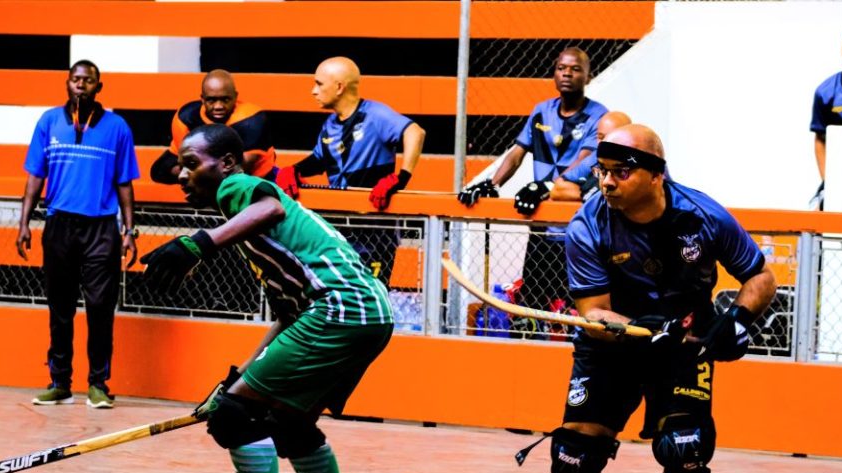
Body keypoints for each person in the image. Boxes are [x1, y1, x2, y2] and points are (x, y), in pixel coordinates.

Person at [140, 124, 393, 473]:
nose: (181, 174)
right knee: (290, 425)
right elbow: (288, 317)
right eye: (180, 166)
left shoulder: (238, 189)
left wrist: (199, 244)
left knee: (234, 418)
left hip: (339, 310)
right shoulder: (253, 233)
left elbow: (270, 205)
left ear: (226, 164)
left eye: (191, 164)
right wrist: (238, 376)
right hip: (367, 314)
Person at [548, 124, 776, 473]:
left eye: (620, 172)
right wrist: (647, 329)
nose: (607, 182)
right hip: (612, 345)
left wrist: (737, 321)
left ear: (656, 176)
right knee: (573, 453)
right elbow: (594, 312)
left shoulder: (703, 216)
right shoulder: (588, 223)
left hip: (685, 345)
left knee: (687, 448)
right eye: (602, 171)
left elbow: (761, 276)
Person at [16, 60, 140, 409]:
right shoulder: (49, 122)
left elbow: (125, 183)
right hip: (59, 225)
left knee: (100, 308)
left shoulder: (117, 127)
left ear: (99, 87)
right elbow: (35, 177)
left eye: (88, 80)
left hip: (101, 227)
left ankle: (98, 384)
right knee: (60, 308)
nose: (81, 84)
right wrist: (24, 223)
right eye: (76, 79)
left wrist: (129, 230)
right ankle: (60, 384)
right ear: (67, 83)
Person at [458, 48, 608, 319]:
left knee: (574, 302)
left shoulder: (598, 115)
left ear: (588, 76)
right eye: (561, 68)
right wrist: (492, 184)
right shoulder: (541, 111)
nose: (567, 74)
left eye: (575, 69)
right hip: (541, 221)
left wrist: (548, 186)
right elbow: (517, 153)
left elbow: (584, 160)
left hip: (577, 223)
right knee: (534, 302)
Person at [275, 56, 426, 286]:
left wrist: (401, 178)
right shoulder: (330, 124)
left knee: (369, 292)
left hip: (375, 230)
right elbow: (320, 159)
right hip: (340, 227)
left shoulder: (374, 114)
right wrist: (293, 170)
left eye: (319, 84)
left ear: (339, 87)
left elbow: (415, 132)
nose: (313, 91)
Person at [150, 69, 276, 183]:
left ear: (235, 97)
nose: (218, 106)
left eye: (225, 100)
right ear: (202, 99)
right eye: (211, 100)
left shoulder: (251, 119)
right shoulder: (186, 118)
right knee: (161, 170)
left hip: (257, 178)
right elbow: (169, 167)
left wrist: (198, 173)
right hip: (209, 173)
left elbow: (241, 169)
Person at [550, 111, 632, 203]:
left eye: (611, 138)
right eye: (600, 137)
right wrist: (589, 193)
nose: (603, 143)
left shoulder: (636, 161)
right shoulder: (594, 158)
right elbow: (557, 188)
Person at [809, 31, 842, 211]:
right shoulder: (826, 93)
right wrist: (829, 182)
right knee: (815, 215)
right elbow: (820, 139)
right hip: (839, 179)